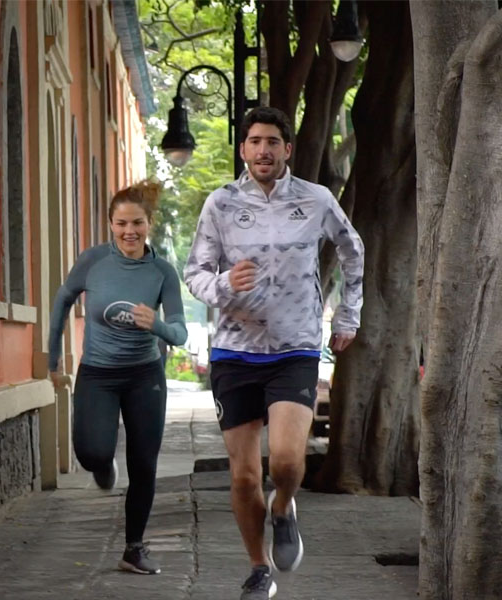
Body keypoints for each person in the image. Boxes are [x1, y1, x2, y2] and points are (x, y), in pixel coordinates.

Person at [184, 107, 364, 600]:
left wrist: (348, 315)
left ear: (288, 149)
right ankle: (258, 568)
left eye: (272, 142)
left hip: (294, 347)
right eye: (254, 141)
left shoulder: (316, 198)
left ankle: (284, 505)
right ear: (243, 149)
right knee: (243, 477)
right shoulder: (220, 204)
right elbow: (195, 273)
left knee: (284, 462)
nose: (263, 150)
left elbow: (352, 250)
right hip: (234, 353)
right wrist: (223, 283)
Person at [48, 181, 188, 576]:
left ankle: (134, 547)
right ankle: (102, 463)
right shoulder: (93, 261)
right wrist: (52, 357)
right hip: (98, 373)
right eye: (122, 223)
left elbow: (180, 331)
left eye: (138, 223)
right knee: (92, 452)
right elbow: (63, 299)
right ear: (110, 224)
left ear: (150, 224)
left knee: (144, 464)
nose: (130, 231)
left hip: (146, 377)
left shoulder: (162, 272)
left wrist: (156, 325)